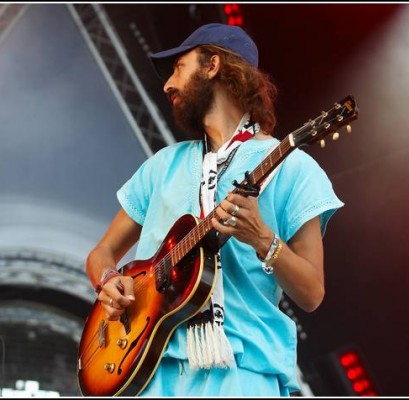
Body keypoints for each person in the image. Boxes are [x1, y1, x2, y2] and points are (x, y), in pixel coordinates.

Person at [85, 22, 344, 397]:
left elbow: (312, 293)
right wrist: (109, 281)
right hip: (151, 369)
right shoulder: (163, 165)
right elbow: (101, 254)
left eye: (178, 68)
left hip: (242, 372)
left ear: (213, 65)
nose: (167, 85)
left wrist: (263, 239)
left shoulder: (294, 168)